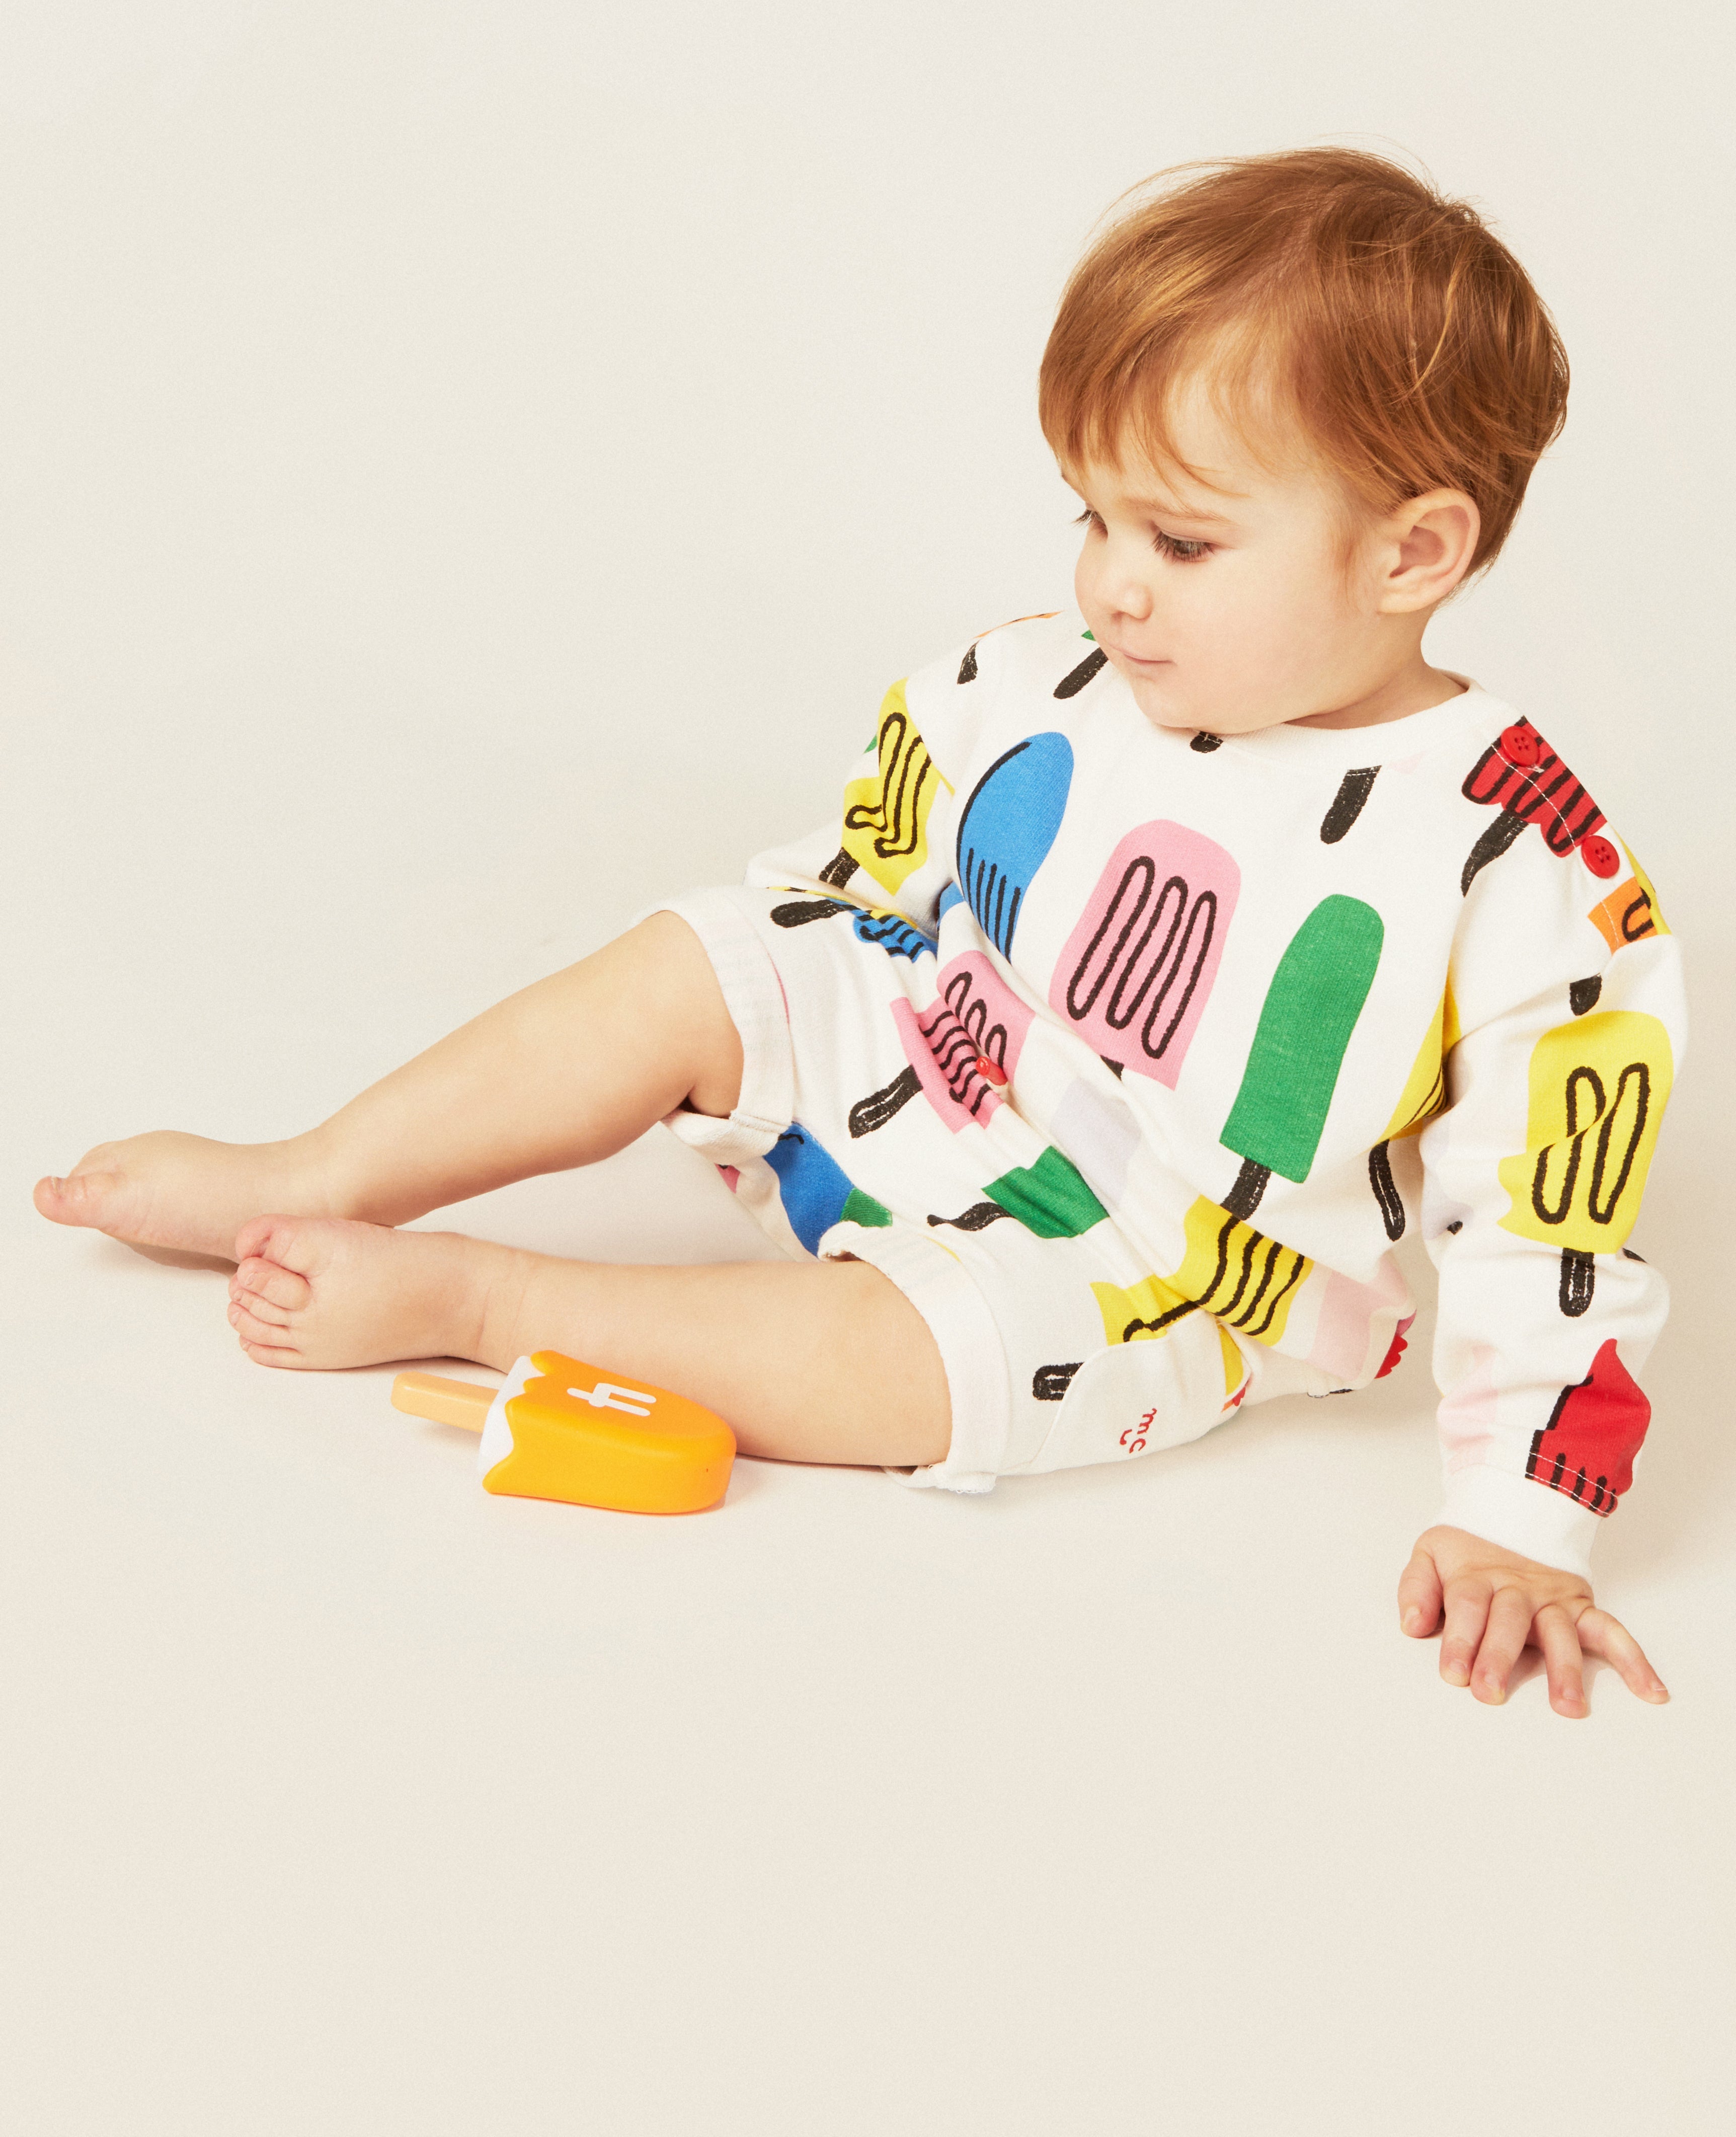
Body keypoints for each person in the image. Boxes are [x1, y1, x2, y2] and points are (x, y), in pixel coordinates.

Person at [35, 146, 1682, 1717]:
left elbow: (1554, 1217)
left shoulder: (1515, 855)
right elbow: (869, 870)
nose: (1111, 585)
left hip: (1156, 1260)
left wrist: (1522, 1522)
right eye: (1089, 518)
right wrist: (762, 999)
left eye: (1179, 542)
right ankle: (317, 1168)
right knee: (712, 949)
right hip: (948, 1056)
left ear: (1411, 551)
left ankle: (482, 1299)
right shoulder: (1056, 671)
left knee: (936, 1362)